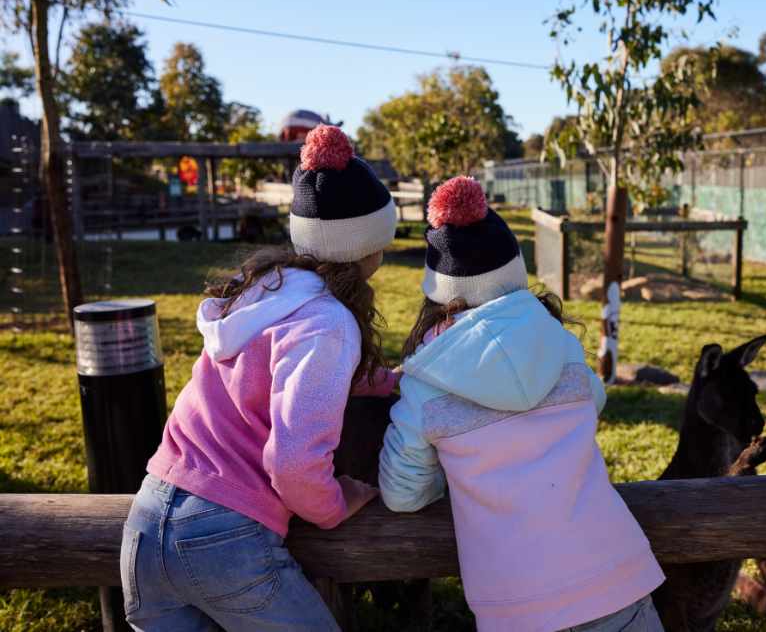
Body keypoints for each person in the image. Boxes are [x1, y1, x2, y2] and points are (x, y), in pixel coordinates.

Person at [121, 124, 398, 632]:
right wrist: (337, 504)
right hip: (223, 535)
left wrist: (382, 379)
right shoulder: (330, 323)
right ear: (368, 247)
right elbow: (293, 464)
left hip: (146, 522)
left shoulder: (264, 295)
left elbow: (275, 375)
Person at [378, 176, 666, 632]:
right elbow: (595, 399)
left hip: (515, 605)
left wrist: (452, 480)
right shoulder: (563, 345)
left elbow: (399, 493)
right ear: (515, 272)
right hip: (616, 577)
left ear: (437, 291)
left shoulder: (423, 383)